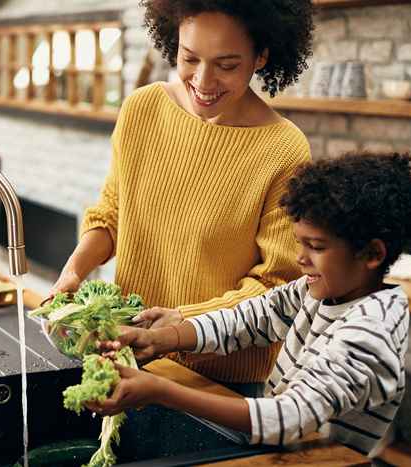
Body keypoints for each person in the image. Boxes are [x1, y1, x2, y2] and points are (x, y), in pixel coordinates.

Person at [92, 151, 411, 457]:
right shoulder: (322, 292)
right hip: (282, 453)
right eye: (299, 243)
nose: (300, 259)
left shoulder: (369, 334)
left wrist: (161, 391)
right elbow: (253, 318)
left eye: (316, 246)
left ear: (372, 253)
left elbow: (287, 417)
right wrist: (162, 338)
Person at [52, 0, 315, 386]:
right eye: (189, 58)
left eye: (227, 66)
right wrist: (74, 271)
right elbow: (112, 214)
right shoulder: (143, 109)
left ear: (262, 56)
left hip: (219, 385)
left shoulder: (285, 150)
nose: (204, 82)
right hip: (128, 360)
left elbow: (276, 287)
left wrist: (180, 325)